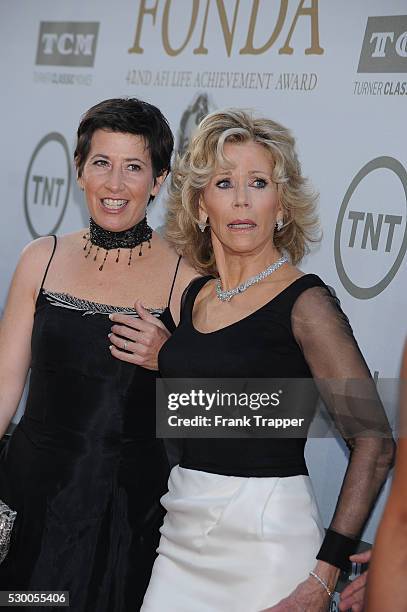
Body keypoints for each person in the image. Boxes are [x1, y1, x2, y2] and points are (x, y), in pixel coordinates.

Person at [133, 108, 394, 611]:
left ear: (282, 206)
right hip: (182, 535)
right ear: (201, 204)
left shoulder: (305, 303)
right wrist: (169, 359)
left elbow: (375, 442)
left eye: (259, 182)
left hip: (267, 545)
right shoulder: (194, 299)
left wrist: (325, 575)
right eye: (225, 182)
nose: (243, 199)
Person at [0, 97, 197, 611]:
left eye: (134, 167)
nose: (115, 185)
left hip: (126, 511)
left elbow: (211, 406)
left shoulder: (187, 281)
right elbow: (4, 385)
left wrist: (171, 359)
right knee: (30, 602)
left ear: (157, 181)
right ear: (79, 170)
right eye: (102, 163)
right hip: (32, 499)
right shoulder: (39, 259)